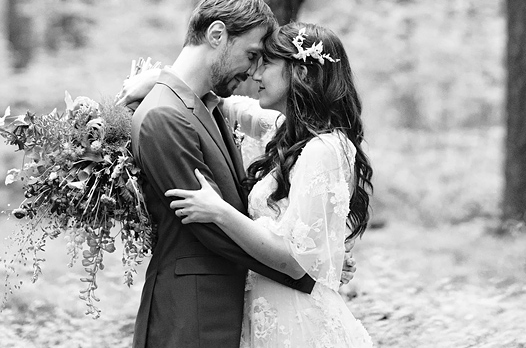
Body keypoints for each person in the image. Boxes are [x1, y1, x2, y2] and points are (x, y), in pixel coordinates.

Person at [128, 19, 374, 348]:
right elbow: (221, 101)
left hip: (297, 320)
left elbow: (294, 256)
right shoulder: (289, 133)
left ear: (299, 72)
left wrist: (219, 212)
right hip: (267, 310)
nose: (255, 74)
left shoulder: (324, 148)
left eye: (267, 62)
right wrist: (158, 79)